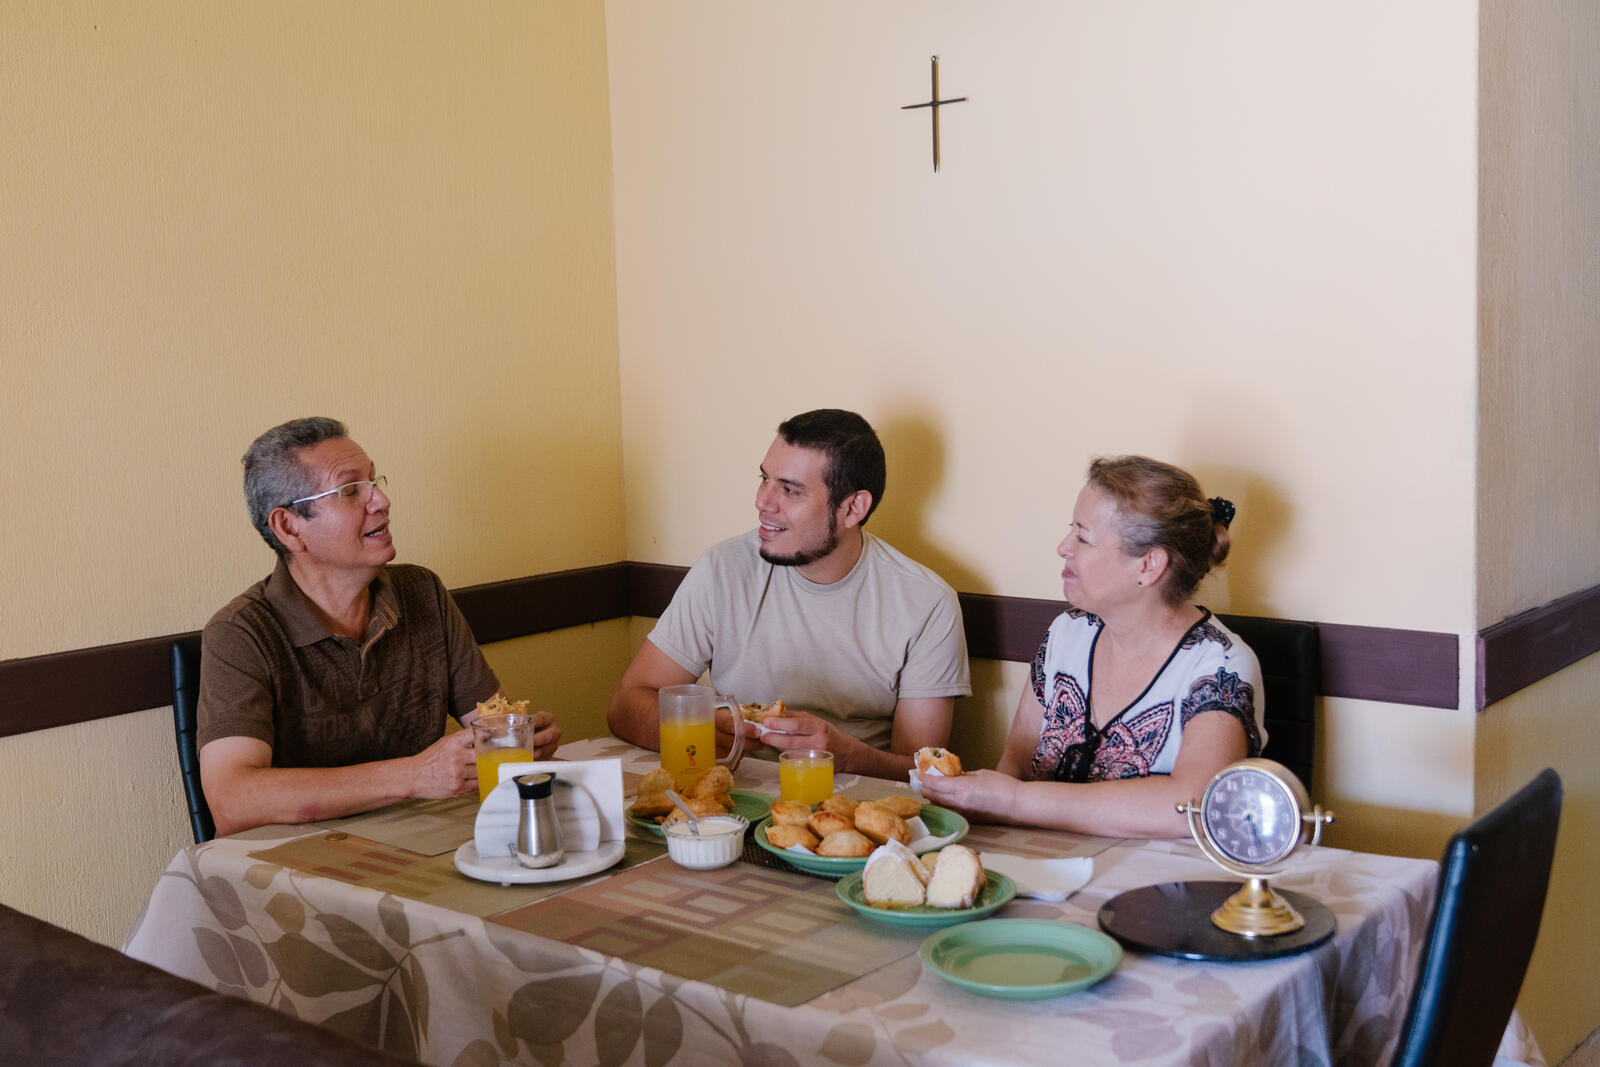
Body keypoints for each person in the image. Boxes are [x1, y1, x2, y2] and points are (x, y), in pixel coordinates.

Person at [197, 417, 559, 835]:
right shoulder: (240, 633)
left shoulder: (422, 592)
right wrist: (415, 775)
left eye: (375, 481)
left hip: (422, 845)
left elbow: (491, 723)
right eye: (351, 491)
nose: (381, 501)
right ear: (289, 527)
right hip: (300, 872)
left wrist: (520, 739)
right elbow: (233, 800)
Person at [606, 409, 970, 778]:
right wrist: (697, 733)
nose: (763, 502)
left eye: (790, 490)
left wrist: (846, 755)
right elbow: (627, 703)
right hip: (730, 795)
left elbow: (923, 770)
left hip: (853, 808)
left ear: (852, 507)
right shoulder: (723, 568)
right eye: (764, 479)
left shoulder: (927, 603)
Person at [920, 455, 1265, 838]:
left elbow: (1192, 806)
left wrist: (1016, 801)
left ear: (1149, 566)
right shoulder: (1067, 633)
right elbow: (1014, 767)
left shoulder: (1221, 665)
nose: (1063, 547)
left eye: (1083, 537)